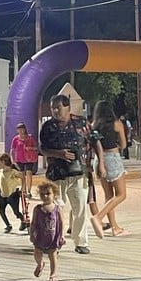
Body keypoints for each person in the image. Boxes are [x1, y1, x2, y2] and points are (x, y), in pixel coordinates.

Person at [39, 94, 91, 255]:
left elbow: (93, 143)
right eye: (53, 108)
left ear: (67, 107)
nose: (55, 111)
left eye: (58, 108)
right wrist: (58, 154)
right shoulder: (48, 127)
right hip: (56, 175)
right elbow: (42, 149)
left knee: (80, 208)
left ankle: (81, 242)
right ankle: (55, 241)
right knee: (54, 209)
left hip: (78, 173)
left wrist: (97, 164)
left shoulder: (81, 123)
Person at [89, 101, 129, 238]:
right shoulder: (117, 124)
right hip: (112, 158)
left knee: (108, 196)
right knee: (121, 195)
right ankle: (98, 217)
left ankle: (115, 228)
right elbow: (123, 145)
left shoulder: (93, 125)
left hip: (98, 160)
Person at [30, 181, 65, 281]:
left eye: (48, 194)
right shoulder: (38, 209)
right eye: (42, 194)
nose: (45, 196)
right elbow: (33, 223)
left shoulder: (57, 209)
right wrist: (32, 234)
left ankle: (53, 273)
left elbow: (62, 222)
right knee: (37, 252)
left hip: (53, 236)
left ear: (54, 195)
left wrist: (62, 235)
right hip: (40, 235)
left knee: (53, 255)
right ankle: (40, 264)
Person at [0, 153, 28, 233]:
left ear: (3, 162)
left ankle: (23, 221)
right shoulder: (0, 172)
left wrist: (23, 189)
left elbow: (23, 178)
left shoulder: (13, 172)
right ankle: (8, 225)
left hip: (13, 195)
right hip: (3, 194)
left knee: (16, 212)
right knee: (1, 211)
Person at [10, 122, 39, 198]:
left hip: (29, 159)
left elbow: (36, 148)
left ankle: (29, 191)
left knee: (29, 174)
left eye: (21, 129)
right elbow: (12, 150)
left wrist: (30, 148)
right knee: (22, 176)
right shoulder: (15, 139)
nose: (20, 131)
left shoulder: (30, 137)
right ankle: (24, 191)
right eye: (19, 129)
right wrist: (13, 160)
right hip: (19, 159)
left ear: (24, 129)